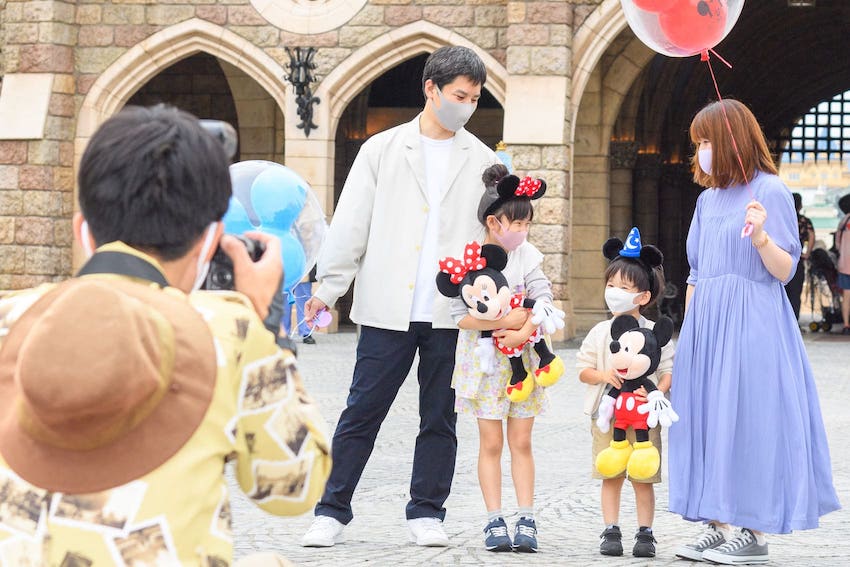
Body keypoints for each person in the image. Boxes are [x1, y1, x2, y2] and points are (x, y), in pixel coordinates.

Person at [0, 105, 331, 566]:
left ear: (84, 231)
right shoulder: (228, 328)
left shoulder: (8, 318)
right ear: (213, 238)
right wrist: (268, 330)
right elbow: (291, 489)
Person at [300, 46, 499, 547]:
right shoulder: (381, 149)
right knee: (362, 410)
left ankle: (427, 511)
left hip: (453, 313)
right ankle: (331, 509)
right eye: (459, 95)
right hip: (387, 304)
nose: (467, 106)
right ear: (430, 89)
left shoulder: (484, 160)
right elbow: (351, 225)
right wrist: (328, 289)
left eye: (475, 98)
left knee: (440, 415)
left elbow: (498, 238)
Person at [670, 99, 840, 564]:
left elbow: (785, 271)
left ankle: (755, 531)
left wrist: (762, 237)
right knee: (709, 419)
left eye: (705, 141)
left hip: (753, 322)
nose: (700, 151)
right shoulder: (706, 200)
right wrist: (687, 341)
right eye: (696, 143)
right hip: (706, 323)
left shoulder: (771, 191)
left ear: (729, 141)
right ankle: (717, 521)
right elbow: (696, 273)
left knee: (749, 420)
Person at [448, 164, 563, 553]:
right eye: (518, 223)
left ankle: (526, 516)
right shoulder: (471, 256)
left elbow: (544, 298)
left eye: (527, 224)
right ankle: (494, 519)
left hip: (524, 358)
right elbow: (456, 315)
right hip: (483, 361)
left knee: (522, 440)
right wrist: (499, 318)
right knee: (491, 442)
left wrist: (524, 329)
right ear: (494, 222)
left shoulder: (528, 254)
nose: (523, 231)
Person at [577, 228, 673, 559]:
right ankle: (611, 529)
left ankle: (646, 532)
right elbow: (583, 370)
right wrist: (603, 374)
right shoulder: (600, 332)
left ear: (643, 297)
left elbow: (667, 371)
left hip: (644, 417)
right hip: (608, 417)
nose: (614, 292)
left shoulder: (655, 333)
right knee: (611, 472)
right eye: (611, 285)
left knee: (643, 476)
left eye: (624, 287)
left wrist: (657, 393)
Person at [783, 192, 815, 321]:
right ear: (800, 206)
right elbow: (812, 236)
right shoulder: (804, 221)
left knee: (782, 294)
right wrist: (807, 253)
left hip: (782, 259)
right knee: (796, 294)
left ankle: (782, 322)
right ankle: (794, 322)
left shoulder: (784, 219)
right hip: (797, 261)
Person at [282, 268, 317, 344]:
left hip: (305, 264)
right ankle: (283, 332)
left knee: (304, 297)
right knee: (284, 298)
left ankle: (306, 332)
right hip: (286, 263)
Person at [835, 196, 850, 334]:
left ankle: (846, 325)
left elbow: (837, 244)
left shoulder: (843, 221)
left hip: (845, 265)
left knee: (846, 296)